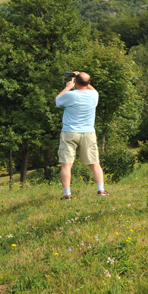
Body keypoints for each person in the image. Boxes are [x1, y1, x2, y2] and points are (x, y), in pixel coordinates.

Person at [55, 72, 107, 200]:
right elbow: (93, 89)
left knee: (66, 164)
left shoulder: (69, 95)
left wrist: (68, 87)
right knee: (95, 163)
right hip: (88, 132)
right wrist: (82, 79)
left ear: (76, 82)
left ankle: (67, 195)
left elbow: (57, 101)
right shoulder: (94, 95)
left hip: (69, 132)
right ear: (89, 83)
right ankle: (101, 190)